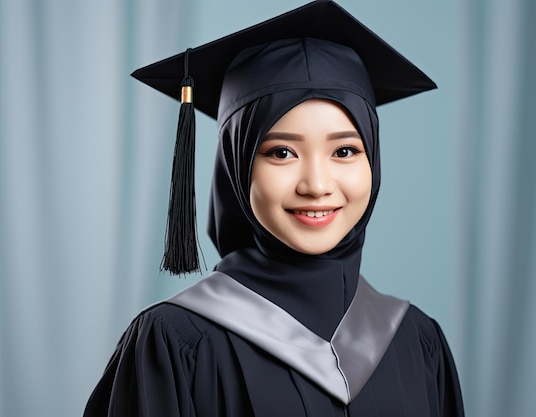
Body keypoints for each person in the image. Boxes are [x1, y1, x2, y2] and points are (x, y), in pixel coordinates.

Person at [84, 1, 464, 416]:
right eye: (281, 152)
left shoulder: (417, 340)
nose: (317, 185)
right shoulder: (175, 343)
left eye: (344, 150)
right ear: (236, 165)